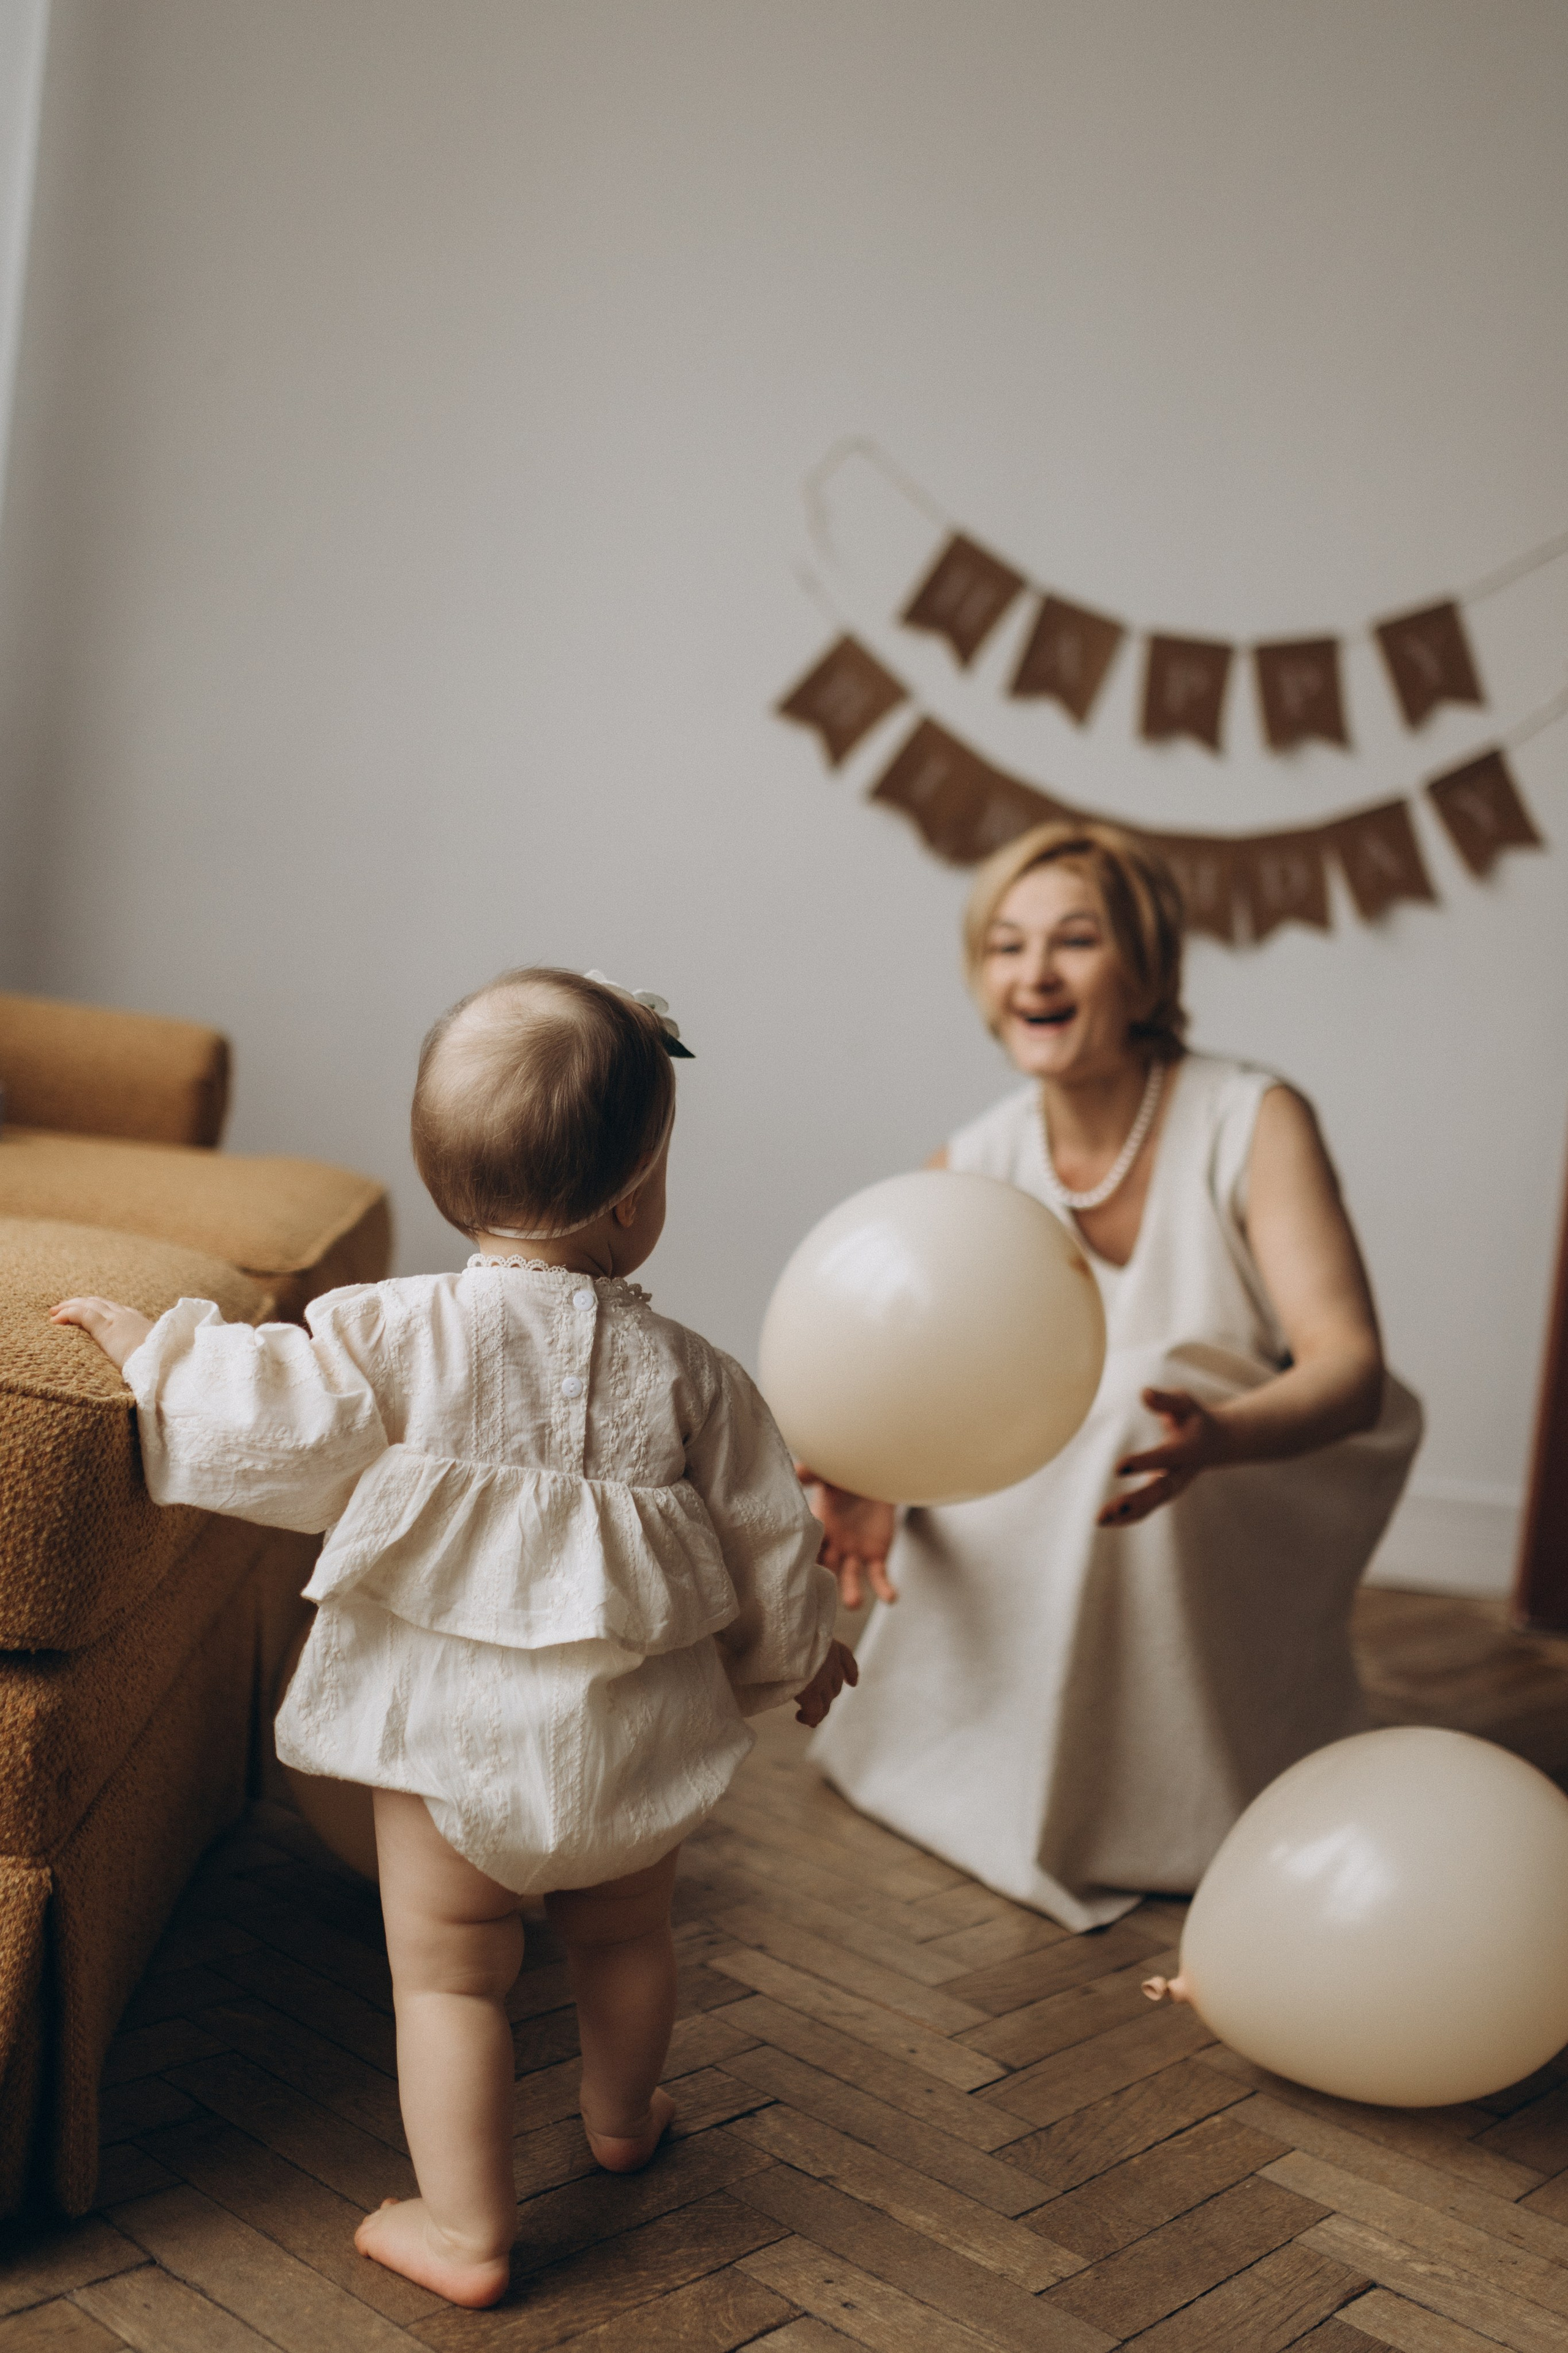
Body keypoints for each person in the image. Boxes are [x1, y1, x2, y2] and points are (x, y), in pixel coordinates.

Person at [54, 967, 853, 2310]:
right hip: (626, 1749)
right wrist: (803, 1654)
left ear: (446, 1184)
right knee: (625, 1940)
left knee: (450, 1984)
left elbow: (274, 1424)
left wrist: (159, 1360)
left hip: (443, 1743)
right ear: (635, 1198)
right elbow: (771, 1540)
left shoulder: (387, 1332)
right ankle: (619, 2116)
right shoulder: (701, 1379)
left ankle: (467, 2227)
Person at [805, 820, 1420, 1934]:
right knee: (1085, 1414)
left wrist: (1221, 1437)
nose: (1034, 971)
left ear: (1147, 969)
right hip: (1053, 1472)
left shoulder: (1252, 1117)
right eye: (1006, 945)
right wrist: (879, 1471)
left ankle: (1185, 1801)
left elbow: (1352, 1368)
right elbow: (913, 1375)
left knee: (1133, 1381)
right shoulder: (976, 1160)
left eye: (1074, 940)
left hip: (1249, 1463)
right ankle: (992, 1775)